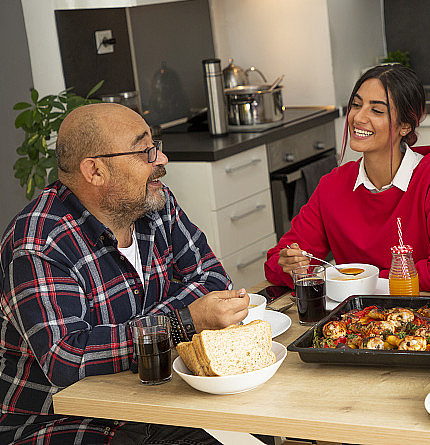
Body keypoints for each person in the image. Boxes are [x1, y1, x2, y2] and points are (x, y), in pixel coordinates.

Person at [0, 103, 249, 444]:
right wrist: (181, 323)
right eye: (144, 151)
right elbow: (66, 358)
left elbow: (213, 279)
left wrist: (147, 332)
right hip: (58, 421)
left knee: (254, 426)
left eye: (155, 145)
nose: (161, 159)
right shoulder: (38, 243)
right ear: (95, 171)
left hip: (147, 398)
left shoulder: (155, 204)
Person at [264, 64, 430, 293]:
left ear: (405, 126)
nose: (358, 117)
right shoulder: (333, 185)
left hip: (423, 310)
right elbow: (275, 263)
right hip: (355, 312)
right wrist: (290, 264)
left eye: (377, 110)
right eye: (356, 105)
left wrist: (359, 278)